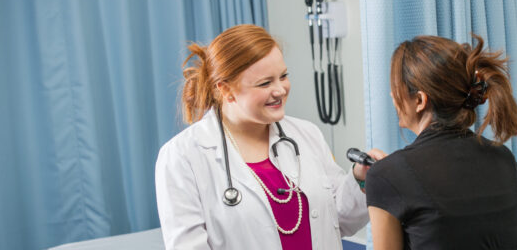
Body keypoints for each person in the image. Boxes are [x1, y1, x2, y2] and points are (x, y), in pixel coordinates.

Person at [155, 24, 369, 250]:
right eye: (265, 83)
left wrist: (360, 180)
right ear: (226, 89)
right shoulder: (182, 157)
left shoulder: (307, 134)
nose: (280, 90)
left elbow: (338, 220)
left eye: (283, 76)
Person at [365, 34, 517, 250]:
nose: (392, 95)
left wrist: (389, 178)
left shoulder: (386, 176)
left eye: (397, 88)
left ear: (420, 100)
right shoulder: (504, 159)